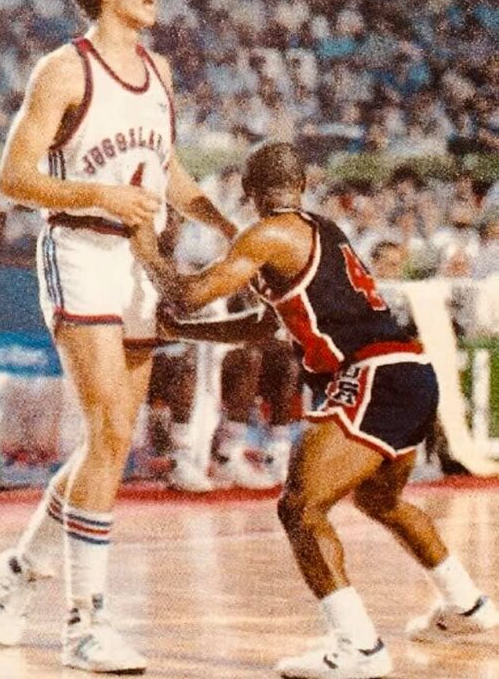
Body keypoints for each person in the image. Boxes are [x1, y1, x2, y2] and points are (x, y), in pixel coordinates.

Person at [130, 142, 498, 679]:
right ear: (302, 186)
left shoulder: (268, 233)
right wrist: (182, 331)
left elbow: (189, 292)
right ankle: (467, 606)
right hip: (408, 371)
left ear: (249, 192)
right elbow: (263, 326)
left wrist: (143, 244)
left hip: (371, 375)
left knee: (299, 507)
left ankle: (358, 647)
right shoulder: (321, 230)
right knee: (381, 500)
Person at [0, 0, 235, 674]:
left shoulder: (159, 71)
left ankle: (22, 566)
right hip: (80, 251)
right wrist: (98, 193)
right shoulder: (64, 69)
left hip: (139, 260)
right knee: (108, 429)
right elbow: (12, 177)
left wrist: (232, 228)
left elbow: (168, 171)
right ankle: (84, 624)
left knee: (112, 444)